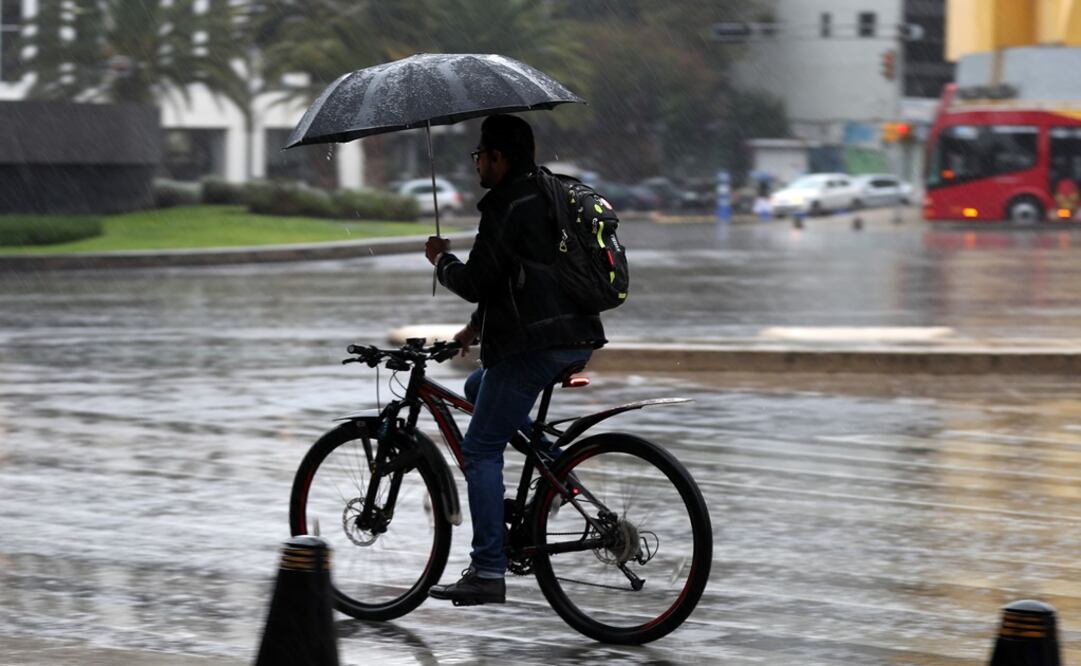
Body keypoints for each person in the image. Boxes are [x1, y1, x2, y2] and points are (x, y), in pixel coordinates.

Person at [423, 114, 607, 605]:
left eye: (480, 154)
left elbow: (479, 279)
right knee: (478, 388)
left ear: (499, 158)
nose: (477, 162)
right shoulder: (544, 192)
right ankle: (552, 467)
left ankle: (487, 570)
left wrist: (441, 260)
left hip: (537, 345)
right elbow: (523, 278)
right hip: (575, 334)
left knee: (480, 450)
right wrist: (477, 329)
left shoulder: (508, 203)